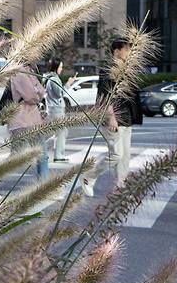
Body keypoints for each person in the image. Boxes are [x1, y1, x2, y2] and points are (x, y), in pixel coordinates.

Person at [81, 38, 143, 197]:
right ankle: (89, 177)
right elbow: (104, 96)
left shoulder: (127, 69)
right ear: (116, 51)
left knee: (125, 157)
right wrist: (111, 117)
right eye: (126, 49)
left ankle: (120, 187)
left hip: (127, 118)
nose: (129, 53)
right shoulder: (108, 69)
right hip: (113, 118)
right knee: (116, 154)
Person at [8, 64, 49, 182]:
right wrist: (36, 91)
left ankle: (44, 186)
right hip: (21, 121)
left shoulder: (29, 71)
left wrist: (36, 91)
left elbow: (41, 91)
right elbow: (32, 96)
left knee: (42, 155)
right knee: (16, 157)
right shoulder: (19, 72)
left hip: (32, 120)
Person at [44, 57, 76, 162]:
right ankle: (57, 155)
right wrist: (68, 83)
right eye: (60, 67)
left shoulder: (48, 78)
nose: (61, 69)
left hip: (53, 109)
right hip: (56, 110)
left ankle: (42, 149)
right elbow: (60, 94)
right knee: (60, 132)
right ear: (56, 67)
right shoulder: (54, 79)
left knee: (57, 132)